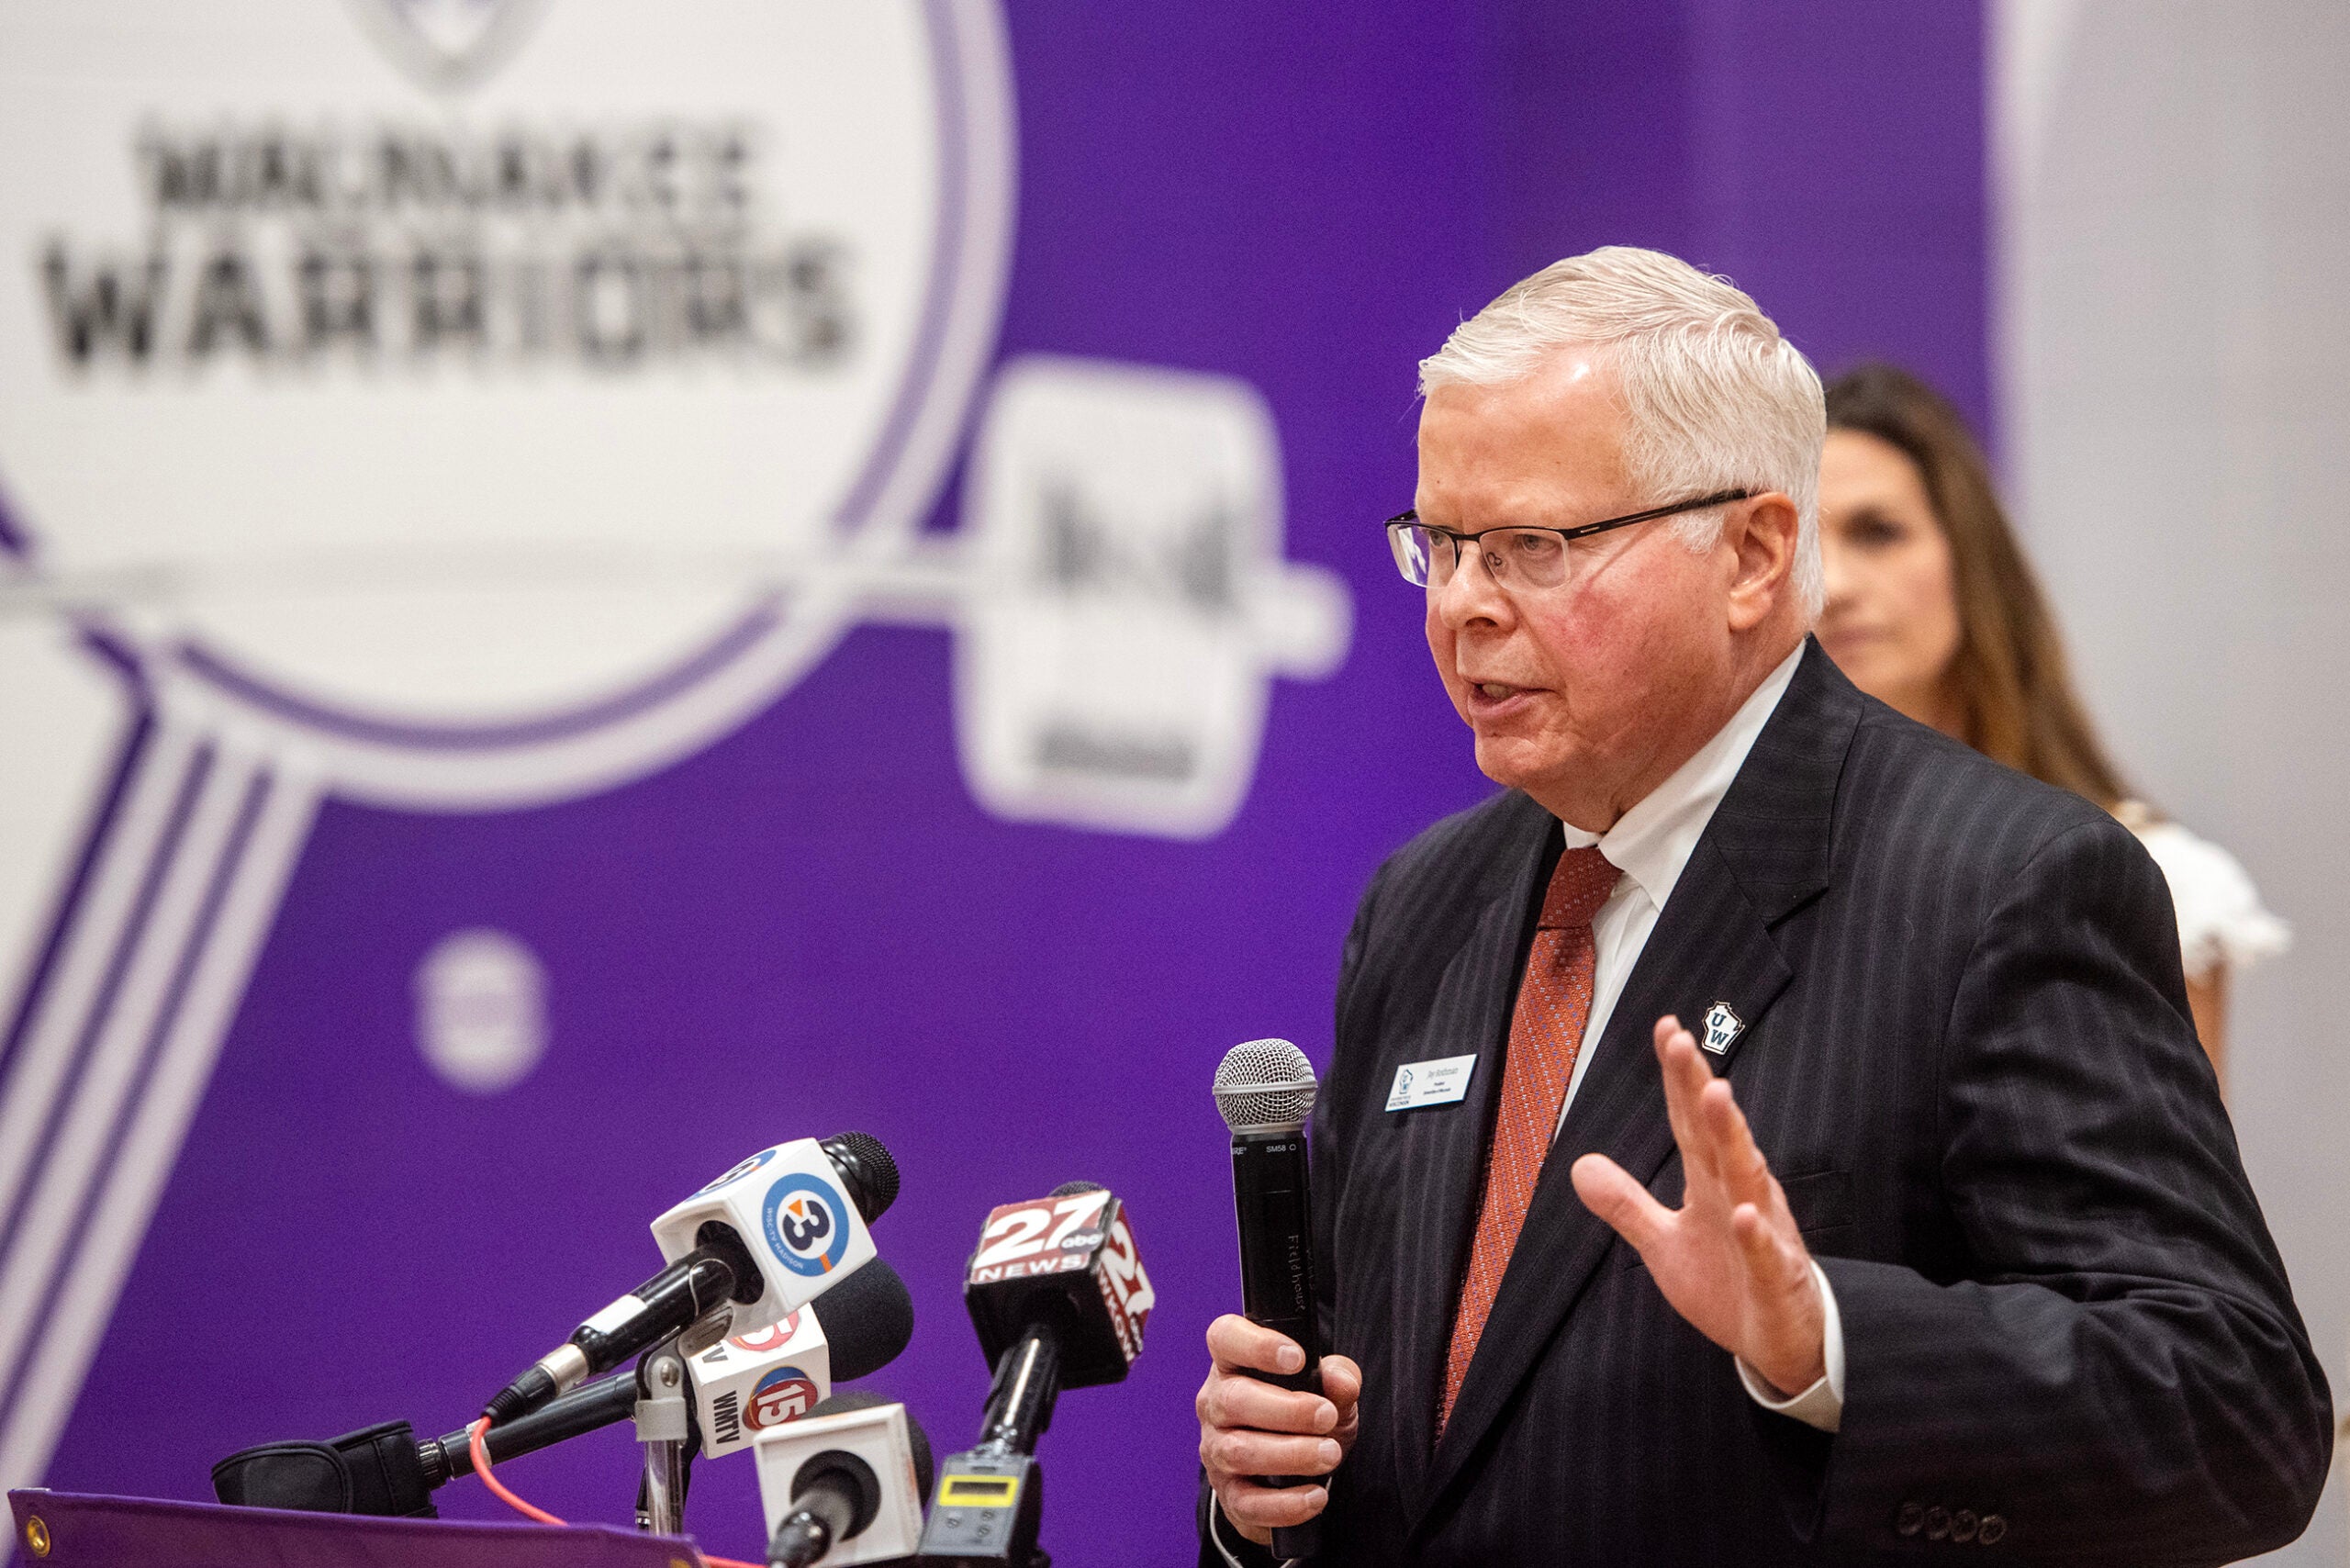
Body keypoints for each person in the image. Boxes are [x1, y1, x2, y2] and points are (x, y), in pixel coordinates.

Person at [1193, 248, 2329, 1565]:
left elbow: (2238, 1412)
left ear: (1750, 553)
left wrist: (1825, 1344)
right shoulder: (1424, 901)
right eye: (1440, 546)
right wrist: (1261, 1492)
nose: (1463, 607)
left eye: (1534, 547)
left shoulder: (1997, 884)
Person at [1815, 363, 2287, 1084]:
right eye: (1800, 548)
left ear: (1971, 558)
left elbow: (2161, 1192)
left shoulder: (2160, 880)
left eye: (1878, 532)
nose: (1835, 585)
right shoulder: (1739, 863)